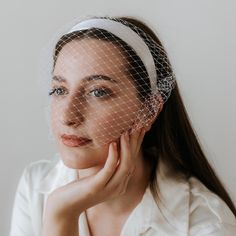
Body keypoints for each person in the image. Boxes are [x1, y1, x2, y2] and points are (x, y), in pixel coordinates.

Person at [10, 16, 236, 236]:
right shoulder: (36, 186)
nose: (68, 116)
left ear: (148, 110)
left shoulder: (205, 225)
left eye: (98, 92)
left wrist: (62, 215)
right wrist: (62, 212)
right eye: (60, 90)